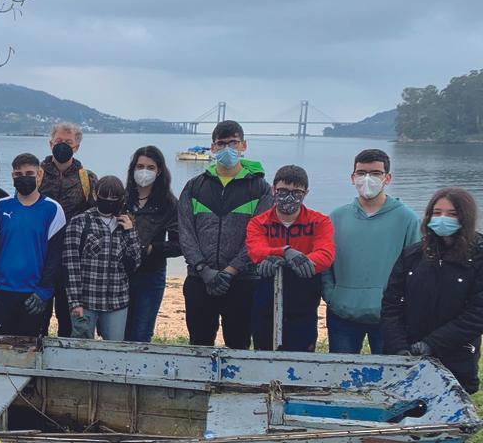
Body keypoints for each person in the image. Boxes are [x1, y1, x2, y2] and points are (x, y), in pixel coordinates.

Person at [382, 187, 483, 443]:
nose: (443, 219)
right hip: (409, 350)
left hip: (454, 351)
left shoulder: (478, 255)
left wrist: (434, 344)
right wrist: (399, 346)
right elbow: (392, 302)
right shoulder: (414, 254)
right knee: (402, 409)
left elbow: (476, 313)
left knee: (452, 416)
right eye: (437, 212)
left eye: (452, 214)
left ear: (465, 218)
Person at [177, 120, 272, 348]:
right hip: (200, 280)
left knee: (238, 345)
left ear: (244, 145)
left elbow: (258, 236)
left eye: (233, 143)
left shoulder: (260, 188)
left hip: (243, 281)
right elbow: (185, 231)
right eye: (221, 144)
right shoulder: (194, 186)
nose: (227, 148)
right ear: (213, 148)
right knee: (199, 345)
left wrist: (230, 271)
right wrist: (203, 268)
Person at [322, 149, 421, 354]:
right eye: (361, 173)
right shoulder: (336, 218)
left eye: (375, 173)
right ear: (353, 177)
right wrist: (332, 296)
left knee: (388, 379)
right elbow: (325, 263)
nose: (367, 179)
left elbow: (416, 268)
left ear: (387, 178)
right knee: (341, 378)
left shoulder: (407, 219)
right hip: (342, 313)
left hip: (389, 317)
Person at [246, 166, 335, 352]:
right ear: (273, 190)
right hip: (265, 301)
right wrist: (285, 251)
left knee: (301, 360)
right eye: (283, 191)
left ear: (306, 193)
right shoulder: (258, 222)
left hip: (303, 304)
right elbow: (255, 250)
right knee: (264, 355)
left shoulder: (320, 221)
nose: (289, 197)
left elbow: (325, 254)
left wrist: (300, 259)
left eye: (296, 192)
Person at [0, 153, 66, 337]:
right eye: (18, 174)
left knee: (31, 352)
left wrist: (44, 291)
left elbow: (55, 257)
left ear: (39, 174)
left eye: (29, 173)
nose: (23, 178)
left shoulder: (53, 210)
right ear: (12, 176)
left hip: (34, 295)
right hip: (1, 293)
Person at [61, 176, 141, 340]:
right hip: (86, 300)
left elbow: (135, 263)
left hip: (116, 300)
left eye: (114, 197)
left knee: (114, 350)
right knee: (81, 348)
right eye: (105, 196)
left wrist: (130, 231)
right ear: (96, 195)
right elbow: (71, 265)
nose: (109, 201)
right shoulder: (80, 222)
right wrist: (75, 302)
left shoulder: (124, 224)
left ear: (121, 199)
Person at [39, 122, 99, 338]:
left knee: (68, 321)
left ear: (77, 147)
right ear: (50, 143)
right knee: (38, 319)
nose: (62, 146)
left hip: (72, 262)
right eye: (58, 142)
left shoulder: (87, 179)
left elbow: (97, 216)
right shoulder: (37, 175)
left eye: (68, 142)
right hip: (41, 258)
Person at [123, 146, 180, 342]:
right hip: (120, 275)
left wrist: (152, 248)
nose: (144, 171)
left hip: (151, 275)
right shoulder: (122, 199)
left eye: (150, 167)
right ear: (132, 169)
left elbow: (179, 243)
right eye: (140, 166)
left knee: (141, 333)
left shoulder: (169, 203)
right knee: (116, 333)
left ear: (159, 171)